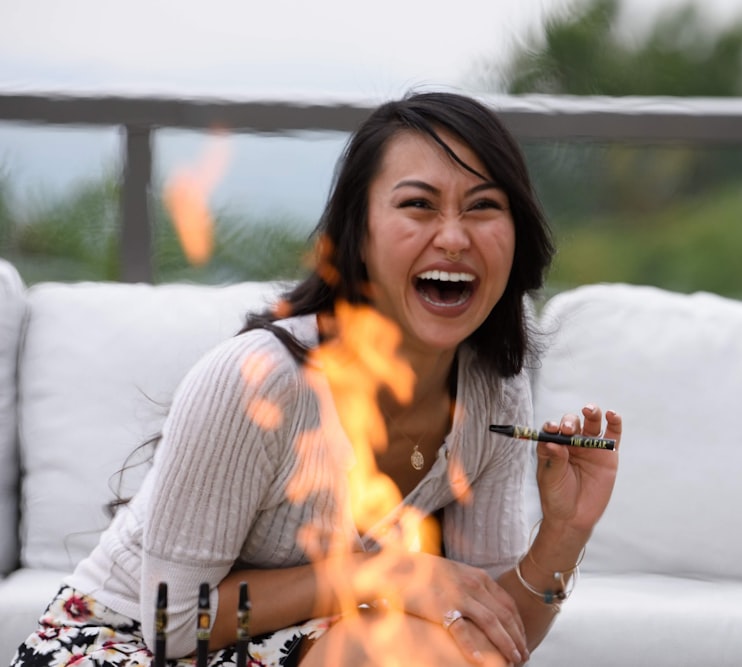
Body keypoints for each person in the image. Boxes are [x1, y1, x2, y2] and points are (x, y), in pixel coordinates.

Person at [9, 90, 621, 667]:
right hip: (125, 643)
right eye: (418, 205)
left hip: (296, 638)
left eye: (484, 206)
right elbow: (172, 622)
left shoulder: (491, 390)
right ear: (358, 237)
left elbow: (486, 633)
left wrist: (565, 532)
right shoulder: (260, 381)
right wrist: (381, 574)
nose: (454, 237)